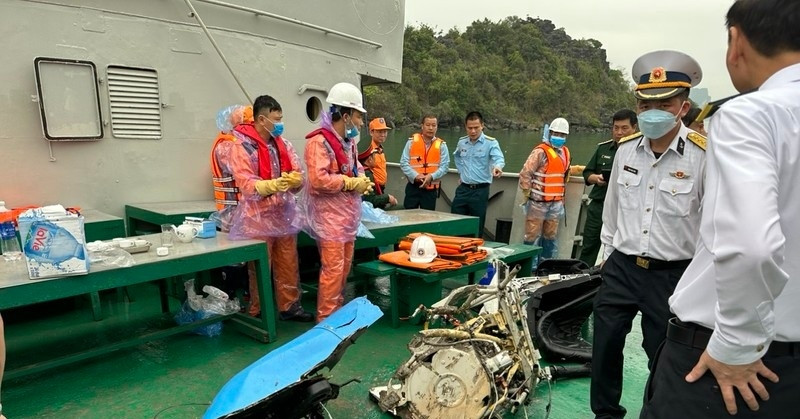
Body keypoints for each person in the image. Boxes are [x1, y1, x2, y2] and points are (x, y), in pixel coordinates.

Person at [642, 1, 800, 417]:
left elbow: (752, 247)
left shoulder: (753, 114)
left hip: (729, 367)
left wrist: (735, 344)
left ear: (736, 42)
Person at [591, 50, 707, 419]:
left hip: (672, 274)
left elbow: (711, 224)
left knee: (664, 352)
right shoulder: (626, 151)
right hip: (622, 266)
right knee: (605, 343)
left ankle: (653, 413)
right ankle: (606, 413)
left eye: (664, 102)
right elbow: (612, 213)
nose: (651, 110)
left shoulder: (704, 156)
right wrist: (604, 259)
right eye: (644, 102)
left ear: (683, 107)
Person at [227, 95, 313, 322]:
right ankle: (258, 308)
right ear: (262, 119)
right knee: (260, 267)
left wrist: (296, 180)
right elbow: (246, 183)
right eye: (277, 119)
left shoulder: (283, 144)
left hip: (284, 214)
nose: (280, 124)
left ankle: (290, 306)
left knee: (288, 262)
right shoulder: (242, 147)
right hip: (258, 216)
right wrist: (271, 185)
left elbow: (299, 175)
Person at [303, 82, 373, 323]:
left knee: (343, 268)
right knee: (332, 270)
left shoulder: (348, 142)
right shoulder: (318, 143)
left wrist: (363, 179)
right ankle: (325, 320)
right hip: (329, 218)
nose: (361, 124)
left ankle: (336, 313)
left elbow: (356, 167)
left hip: (346, 217)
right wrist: (350, 183)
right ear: (346, 116)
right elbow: (318, 179)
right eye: (359, 117)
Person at [578, 109, 638, 266]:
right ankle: (584, 276)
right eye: (616, 128)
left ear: (635, 128)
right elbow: (587, 173)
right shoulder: (603, 149)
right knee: (589, 244)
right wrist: (596, 179)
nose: (619, 132)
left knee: (621, 248)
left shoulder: (641, 153)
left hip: (626, 209)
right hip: (599, 204)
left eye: (624, 128)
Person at [518, 117, 572, 260]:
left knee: (550, 235)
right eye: (556, 134)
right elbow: (526, 172)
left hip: (556, 203)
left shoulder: (565, 152)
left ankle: (546, 264)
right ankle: (529, 265)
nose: (559, 137)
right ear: (550, 133)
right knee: (532, 234)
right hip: (537, 202)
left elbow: (563, 172)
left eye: (562, 135)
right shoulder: (540, 152)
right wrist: (526, 191)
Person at [451, 111, 505, 236]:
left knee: (477, 225)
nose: (473, 131)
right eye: (470, 128)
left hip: (480, 191)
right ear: (465, 127)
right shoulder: (462, 142)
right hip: (463, 189)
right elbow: (457, 157)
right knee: (455, 221)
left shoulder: (491, 143)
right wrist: (461, 172)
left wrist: (497, 167)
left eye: (476, 127)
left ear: (482, 126)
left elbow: (499, 158)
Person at [210, 104, 253, 232]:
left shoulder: (236, 144)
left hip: (243, 210)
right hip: (233, 212)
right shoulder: (227, 146)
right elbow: (246, 175)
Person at [399, 114, 450, 210]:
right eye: (428, 125)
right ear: (422, 126)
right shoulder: (411, 142)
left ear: (437, 127)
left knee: (428, 218)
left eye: (434, 125)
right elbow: (404, 163)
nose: (431, 128)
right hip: (413, 187)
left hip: (430, 190)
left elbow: (445, 167)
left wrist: (431, 176)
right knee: (408, 216)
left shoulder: (442, 146)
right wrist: (416, 176)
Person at [358, 142, 397, 209]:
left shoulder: (360, 171)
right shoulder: (367, 174)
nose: (376, 159)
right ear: (370, 160)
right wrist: (388, 198)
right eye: (374, 157)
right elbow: (371, 200)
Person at [365, 117, 391, 193]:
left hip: (381, 188)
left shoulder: (380, 148)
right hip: (373, 188)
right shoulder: (368, 150)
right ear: (371, 132)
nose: (383, 135)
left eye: (385, 132)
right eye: (379, 132)